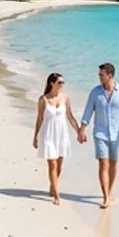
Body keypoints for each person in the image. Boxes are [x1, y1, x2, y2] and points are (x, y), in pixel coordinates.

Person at [77, 62, 119, 209]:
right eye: (99, 75)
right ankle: (106, 197)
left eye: (101, 75)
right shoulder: (95, 92)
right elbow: (88, 111)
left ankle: (110, 189)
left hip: (117, 134)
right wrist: (82, 129)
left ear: (110, 75)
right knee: (104, 163)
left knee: (113, 163)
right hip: (100, 133)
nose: (99, 77)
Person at [33, 72, 79, 204]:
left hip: (61, 134)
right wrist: (35, 135)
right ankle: (57, 196)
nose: (62, 85)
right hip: (48, 134)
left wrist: (78, 131)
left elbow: (70, 116)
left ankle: (53, 185)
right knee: (52, 165)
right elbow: (40, 118)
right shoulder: (44, 99)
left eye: (63, 82)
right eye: (59, 82)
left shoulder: (65, 98)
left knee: (59, 165)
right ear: (52, 83)